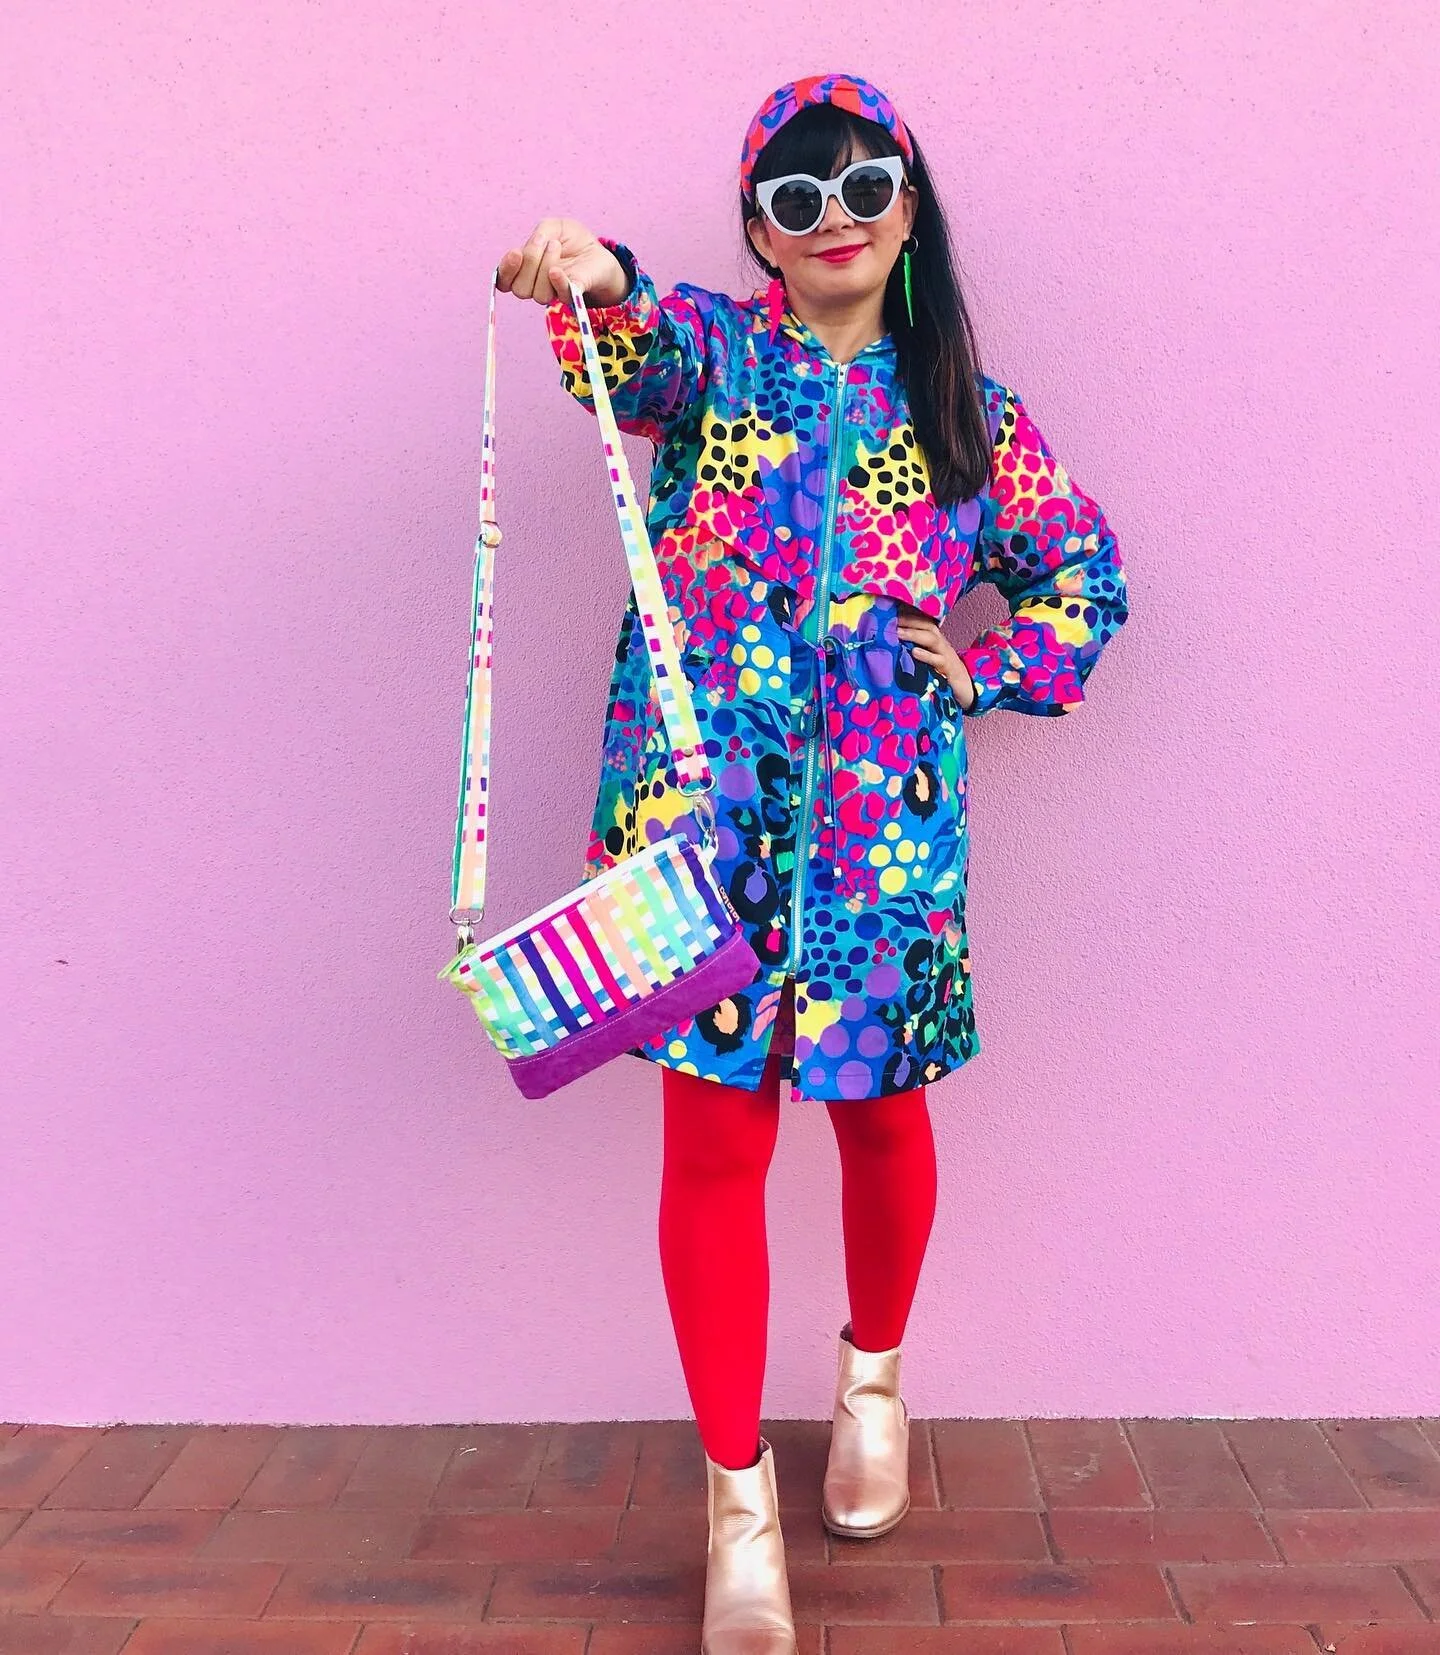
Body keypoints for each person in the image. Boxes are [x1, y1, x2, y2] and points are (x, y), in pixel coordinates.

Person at [499, 71, 1128, 1655]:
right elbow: (627, 342)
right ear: (758, 235)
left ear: (910, 209)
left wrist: (981, 670)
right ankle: (733, 1508)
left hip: (883, 839)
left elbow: (1088, 578)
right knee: (711, 1149)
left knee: (881, 1120)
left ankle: (873, 1384)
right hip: (700, 832)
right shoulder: (717, 358)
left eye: (863, 188)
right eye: (795, 197)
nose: (832, 218)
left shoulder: (966, 416)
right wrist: (594, 270)